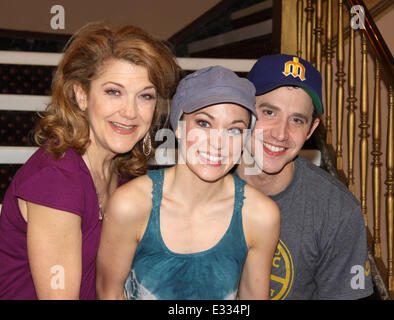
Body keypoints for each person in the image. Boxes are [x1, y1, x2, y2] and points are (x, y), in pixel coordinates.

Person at [0, 22, 179, 299]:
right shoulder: (56, 180)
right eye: (114, 92)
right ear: (81, 95)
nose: (130, 111)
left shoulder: (120, 173)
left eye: (145, 96)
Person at [96, 66, 280, 300]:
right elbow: (108, 293)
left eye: (234, 130)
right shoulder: (131, 205)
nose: (218, 143)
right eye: (204, 124)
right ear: (179, 126)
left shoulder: (260, 216)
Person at [235, 54, 374, 300]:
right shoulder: (202, 184)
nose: (280, 133)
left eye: (297, 120)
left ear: (311, 129)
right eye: (269, 112)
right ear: (244, 110)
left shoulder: (338, 210)